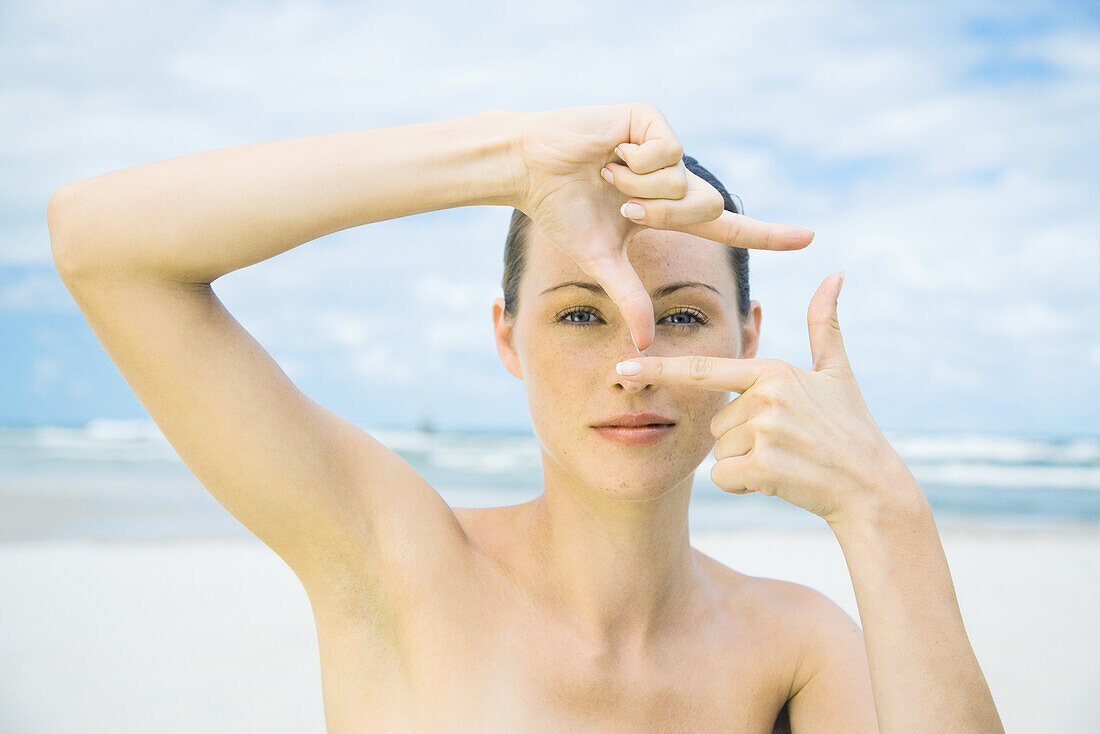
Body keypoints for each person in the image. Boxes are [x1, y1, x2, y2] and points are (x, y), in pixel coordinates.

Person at [47, 103, 1003, 732]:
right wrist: (506, 161)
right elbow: (100, 244)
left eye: (680, 315)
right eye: (582, 312)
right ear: (507, 337)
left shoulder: (797, 647)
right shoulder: (396, 564)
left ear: (747, 339)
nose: (635, 364)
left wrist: (885, 511)